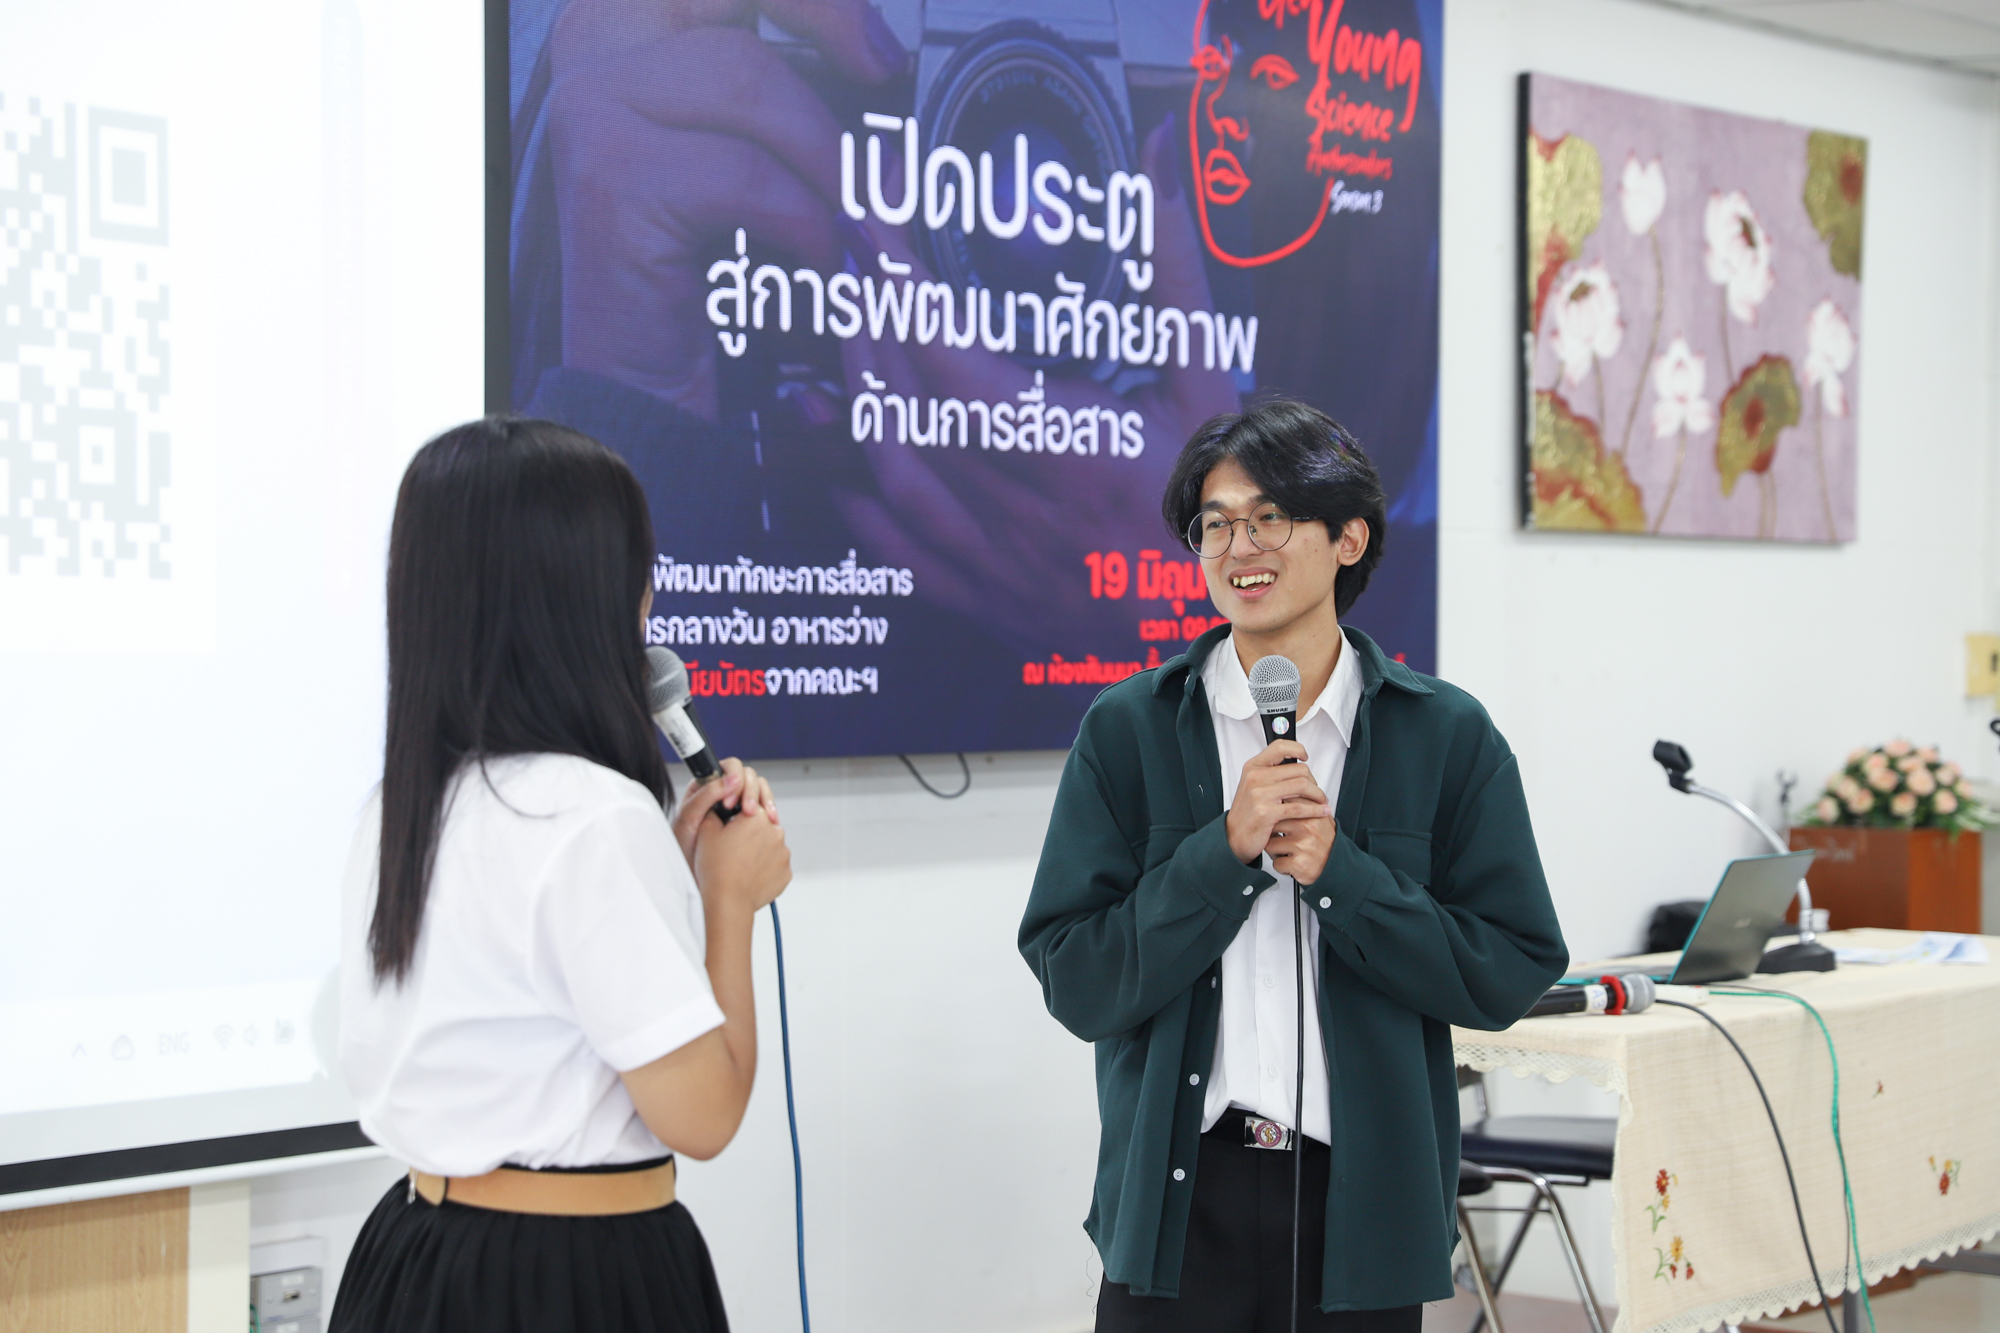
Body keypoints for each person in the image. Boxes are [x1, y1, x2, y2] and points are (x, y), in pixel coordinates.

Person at [1018, 399, 1568, 1331]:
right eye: (1216, 524)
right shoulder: (1128, 730)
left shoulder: (1446, 735)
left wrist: (1346, 879)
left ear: (1350, 537)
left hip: (1361, 1210)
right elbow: (1076, 979)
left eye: (1270, 517)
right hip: (1179, 1205)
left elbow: (1510, 969)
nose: (1240, 548)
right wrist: (1221, 854)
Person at [330, 416, 791, 1333]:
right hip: (566, 1278)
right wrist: (727, 898)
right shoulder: (592, 817)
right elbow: (702, 1116)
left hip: (410, 1260)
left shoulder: (403, 804)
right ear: (586, 597)